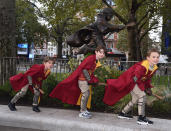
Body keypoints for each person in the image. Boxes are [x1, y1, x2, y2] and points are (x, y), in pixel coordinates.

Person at [103, 48, 160, 125]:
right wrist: (143, 89)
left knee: (135, 99)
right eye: (153, 57)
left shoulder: (154, 67)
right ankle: (141, 118)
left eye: (157, 57)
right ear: (148, 58)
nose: (156, 59)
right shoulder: (142, 66)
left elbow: (147, 79)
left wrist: (148, 88)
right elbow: (136, 78)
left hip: (137, 81)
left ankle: (122, 113)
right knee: (142, 96)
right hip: (132, 81)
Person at [50, 45, 105, 119]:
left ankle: (84, 110)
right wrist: (90, 80)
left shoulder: (94, 60)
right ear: (96, 52)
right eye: (100, 52)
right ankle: (82, 112)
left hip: (84, 79)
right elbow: (84, 70)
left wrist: (93, 80)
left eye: (103, 53)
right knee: (86, 94)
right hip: (83, 80)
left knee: (86, 94)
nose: (102, 54)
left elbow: (88, 71)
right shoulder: (91, 58)